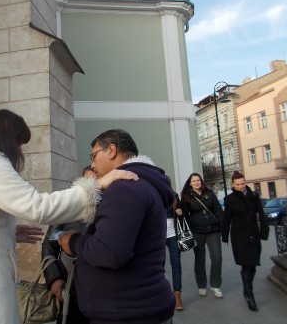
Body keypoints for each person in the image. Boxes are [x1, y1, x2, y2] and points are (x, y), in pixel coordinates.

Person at [0, 110, 137, 324]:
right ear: (8, 138)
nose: (19, 150)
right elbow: (38, 207)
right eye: (19, 143)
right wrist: (94, 186)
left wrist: (6, 230)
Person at [59, 129, 175, 324]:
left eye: (94, 156)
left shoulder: (124, 187)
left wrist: (73, 241)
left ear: (111, 150)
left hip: (126, 312)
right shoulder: (140, 184)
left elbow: (109, 252)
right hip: (135, 307)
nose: (93, 165)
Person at [41, 166, 95, 324]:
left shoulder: (107, 210)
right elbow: (49, 246)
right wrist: (54, 278)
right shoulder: (66, 212)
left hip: (100, 292)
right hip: (71, 289)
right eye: (87, 182)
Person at [222, 171, 269, 312]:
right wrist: (224, 237)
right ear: (233, 184)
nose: (240, 186)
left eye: (242, 184)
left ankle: (246, 288)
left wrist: (264, 232)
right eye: (237, 184)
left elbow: (260, 213)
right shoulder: (229, 199)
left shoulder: (253, 196)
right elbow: (227, 219)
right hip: (239, 236)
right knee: (246, 265)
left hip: (253, 234)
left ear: (245, 182)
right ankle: (249, 295)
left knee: (253, 264)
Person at [180, 173, 224, 298]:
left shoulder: (209, 193)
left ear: (201, 181)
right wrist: (180, 213)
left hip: (213, 230)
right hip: (197, 231)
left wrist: (223, 228)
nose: (196, 183)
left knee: (217, 257)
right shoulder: (187, 196)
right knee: (200, 259)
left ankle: (215, 284)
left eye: (198, 180)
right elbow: (184, 213)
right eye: (194, 181)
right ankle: (201, 285)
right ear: (190, 183)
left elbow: (218, 210)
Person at [165, 183, 184, 311]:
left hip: (173, 234)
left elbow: (183, 213)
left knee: (176, 263)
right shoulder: (153, 195)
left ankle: (177, 294)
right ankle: (158, 294)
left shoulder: (174, 196)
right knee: (157, 265)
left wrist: (179, 212)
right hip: (157, 235)